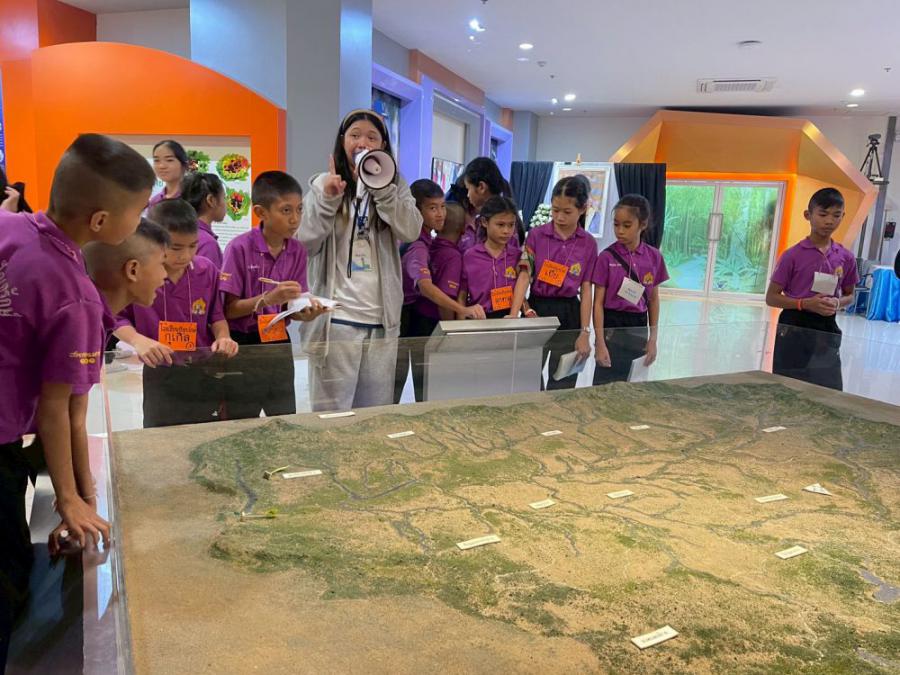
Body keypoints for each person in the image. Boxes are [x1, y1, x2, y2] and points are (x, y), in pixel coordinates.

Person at [0, 133, 154, 669]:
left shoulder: (9, 225)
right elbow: (59, 408)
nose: (140, 221)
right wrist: (73, 499)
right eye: (138, 212)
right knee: (7, 580)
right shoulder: (77, 296)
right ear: (101, 222)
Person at [300, 109, 422, 412]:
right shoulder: (323, 185)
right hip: (335, 322)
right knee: (332, 414)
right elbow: (304, 243)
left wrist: (384, 192)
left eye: (372, 137)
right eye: (355, 135)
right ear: (343, 141)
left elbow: (411, 230)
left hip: (381, 322)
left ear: (383, 145)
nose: (362, 143)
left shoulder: (395, 185)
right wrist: (328, 200)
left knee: (373, 414)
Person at [114, 202, 239, 427]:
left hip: (202, 369)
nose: (186, 255)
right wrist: (138, 340)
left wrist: (224, 337)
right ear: (154, 242)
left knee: (206, 431)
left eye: (193, 246)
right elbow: (115, 317)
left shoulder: (206, 270)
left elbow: (216, 316)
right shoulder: (138, 273)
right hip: (160, 370)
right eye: (176, 248)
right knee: (161, 435)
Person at [220, 171, 327, 420]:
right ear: (261, 212)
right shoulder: (239, 247)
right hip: (243, 343)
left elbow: (292, 306)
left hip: (278, 339)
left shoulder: (297, 250)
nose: (295, 219)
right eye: (286, 210)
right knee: (240, 418)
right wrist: (267, 299)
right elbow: (228, 310)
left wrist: (306, 313)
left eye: (299, 210)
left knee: (284, 416)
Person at [394, 181, 485, 403]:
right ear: (416, 211)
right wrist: (463, 310)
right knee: (403, 380)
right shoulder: (417, 245)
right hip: (403, 316)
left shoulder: (429, 241)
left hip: (409, 315)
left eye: (442, 206)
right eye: (432, 208)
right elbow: (425, 287)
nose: (440, 213)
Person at [766, 188, 858, 391]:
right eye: (823, 214)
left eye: (836, 215)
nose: (829, 221)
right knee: (788, 386)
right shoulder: (792, 255)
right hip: (794, 324)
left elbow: (850, 295)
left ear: (843, 216)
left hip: (826, 325)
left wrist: (837, 302)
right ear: (808, 215)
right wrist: (804, 303)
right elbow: (771, 297)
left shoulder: (846, 257)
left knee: (827, 387)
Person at [511, 176, 598, 389]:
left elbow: (587, 289)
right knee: (528, 376)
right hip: (538, 309)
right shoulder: (537, 236)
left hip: (569, 312)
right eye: (555, 210)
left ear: (583, 209)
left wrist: (585, 332)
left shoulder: (588, 243)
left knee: (564, 379)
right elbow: (524, 276)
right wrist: (514, 315)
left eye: (567, 212)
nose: (559, 217)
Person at [592, 194, 668, 386]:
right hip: (611, 324)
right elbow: (597, 303)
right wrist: (600, 342)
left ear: (643, 224)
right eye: (616, 224)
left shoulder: (654, 257)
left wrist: (653, 339)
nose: (620, 231)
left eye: (627, 225)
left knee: (633, 384)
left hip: (638, 326)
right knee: (604, 386)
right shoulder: (606, 257)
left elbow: (653, 300)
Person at [459, 196, 522, 319]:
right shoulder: (470, 256)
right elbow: (462, 294)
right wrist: (461, 323)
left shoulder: (517, 256)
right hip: (478, 318)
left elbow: (521, 291)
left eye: (511, 225)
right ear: (484, 222)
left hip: (508, 317)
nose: (506, 231)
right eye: (500, 225)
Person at [458, 157, 522, 253]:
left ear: (481, 187)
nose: (468, 195)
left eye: (468, 189)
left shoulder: (501, 220)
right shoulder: (480, 219)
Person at [180, 171, 226, 268]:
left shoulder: (180, 231)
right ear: (211, 200)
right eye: (224, 198)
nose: (225, 204)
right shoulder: (207, 244)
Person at [148, 140, 189, 209]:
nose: (162, 166)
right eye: (156, 160)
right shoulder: (155, 201)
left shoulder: (193, 197)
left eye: (169, 160)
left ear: (183, 164)